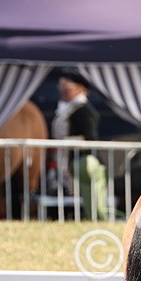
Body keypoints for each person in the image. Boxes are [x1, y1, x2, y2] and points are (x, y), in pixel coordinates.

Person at [52, 72, 108, 221]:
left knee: (93, 196)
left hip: (84, 160)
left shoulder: (84, 110)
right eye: (61, 87)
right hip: (70, 160)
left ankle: (96, 218)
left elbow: (90, 138)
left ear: (80, 89)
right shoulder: (68, 109)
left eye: (67, 87)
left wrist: (65, 142)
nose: (63, 90)